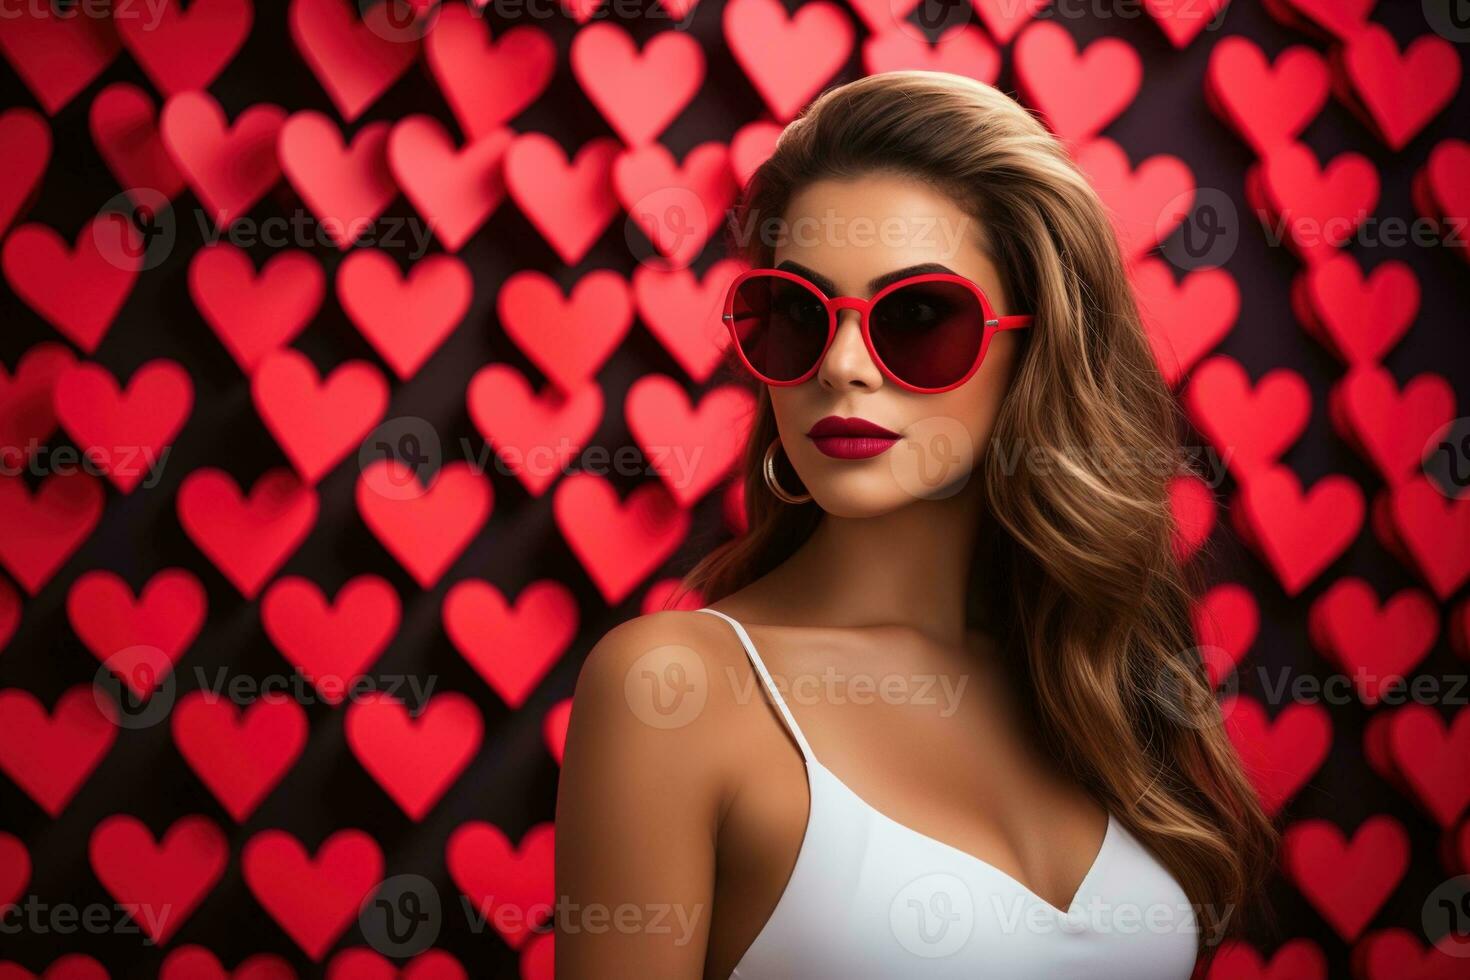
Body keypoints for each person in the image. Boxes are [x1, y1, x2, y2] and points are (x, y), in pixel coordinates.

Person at [555, 70, 1277, 979]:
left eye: (920, 315)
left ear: (1039, 348)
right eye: (796, 315)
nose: (844, 365)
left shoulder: (1091, 672)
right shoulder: (674, 691)